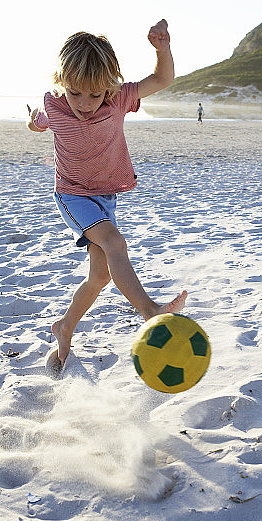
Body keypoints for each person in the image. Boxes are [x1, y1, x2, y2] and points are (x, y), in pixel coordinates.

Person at [27, 20, 187, 374]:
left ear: (109, 87)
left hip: (106, 198)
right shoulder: (54, 104)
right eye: (75, 93)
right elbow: (39, 120)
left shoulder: (119, 99)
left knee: (100, 276)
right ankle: (150, 311)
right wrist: (32, 123)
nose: (84, 103)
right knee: (115, 243)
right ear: (61, 83)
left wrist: (162, 49)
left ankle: (64, 326)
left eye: (94, 94)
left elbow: (162, 80)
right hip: (72, 195)